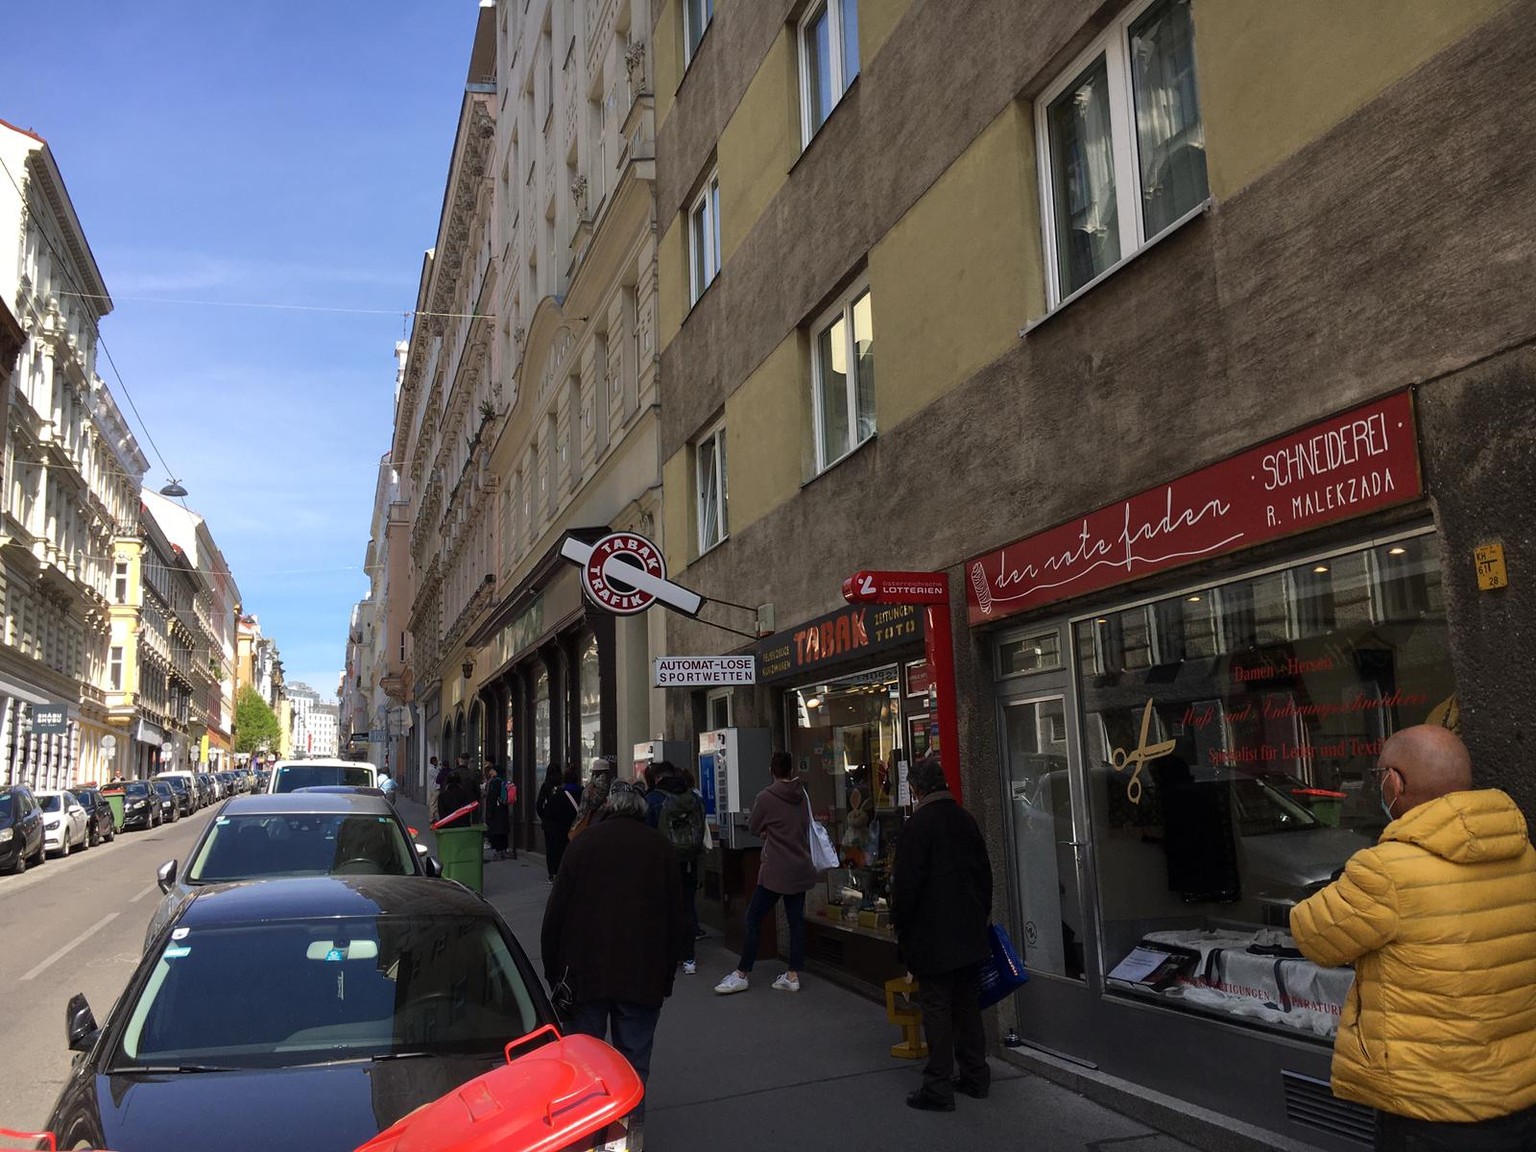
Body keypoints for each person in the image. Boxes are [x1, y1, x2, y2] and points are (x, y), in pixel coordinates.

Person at [1290, 725, 1536, 1150]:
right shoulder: (1521, 853)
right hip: (1518, 1094)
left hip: (1429, 1106)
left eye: (1379, 775)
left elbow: (1314, 936)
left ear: (1395, 781)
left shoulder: (1386, 870)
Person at [541, 778, 687, 1118]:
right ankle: (627, 1133)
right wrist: (665, 977)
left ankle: (588, 1132)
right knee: (634, 1065)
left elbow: (555, 917)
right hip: (642, 976)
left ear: (608, 806)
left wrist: (555, 976)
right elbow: (675, 920)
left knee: (584, 1065)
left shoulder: (583, 844)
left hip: (584, 976)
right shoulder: (659, 847)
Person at [890, 755, 993, 1112]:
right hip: (968, 931)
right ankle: (976, 1075)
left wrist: (900, 925)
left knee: (936, 1005)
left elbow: (905, 887)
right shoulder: (965, 820)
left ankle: (937, 1084)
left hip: (933, 936)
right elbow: (985, 875)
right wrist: (980, 916)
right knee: (966, 1004)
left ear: (916, 789)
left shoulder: (917, 827)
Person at [714, 751, 816, 995]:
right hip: (800, 865)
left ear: (771, 770)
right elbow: (804, 824)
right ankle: (793, 973)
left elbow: (753, 826)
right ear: (790, 770)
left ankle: (742, 972)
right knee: (795, 920)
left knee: (753, 918)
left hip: (775, 869)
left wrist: (768, 833)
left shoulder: (766, 796)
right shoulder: (802, 794)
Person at [645, 760, 706, 974]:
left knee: (662, 907)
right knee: (687, 907)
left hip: (663, 862)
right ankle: (689, 957)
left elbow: (647, 834)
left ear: (659, 778)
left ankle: (666, 955)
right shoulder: (694, 799)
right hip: (689, 860)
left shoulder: (652, 800)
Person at [536, 763, 580, 881]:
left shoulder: (546, 786)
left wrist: (544, 817)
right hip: (567, 823)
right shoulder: (565, 787)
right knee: (563, 847)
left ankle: (553, 873)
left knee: (551, 849)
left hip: (550, 824)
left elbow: (539, 805)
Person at [483, 761, 511, 860]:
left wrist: (489, 814)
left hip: (496, 812)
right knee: (502, 832)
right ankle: (503, 851)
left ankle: (499, 852)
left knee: (497, 832)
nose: (490, 771)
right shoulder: (502, 781)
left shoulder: (495, 782)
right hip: (502, 810)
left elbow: (492, 798)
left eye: (492, 770)